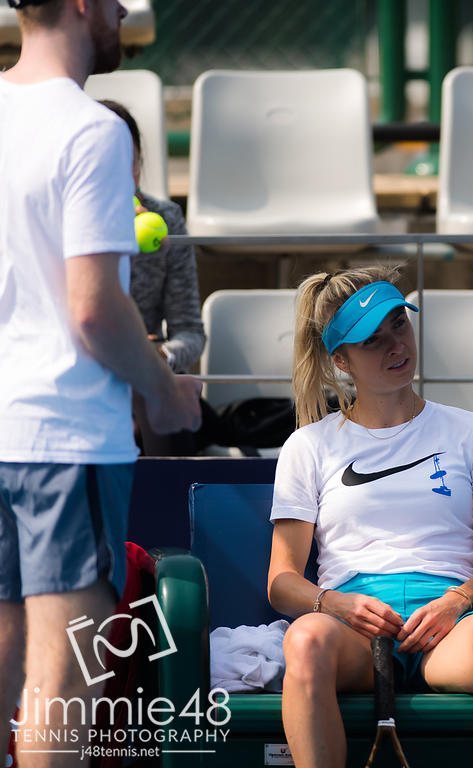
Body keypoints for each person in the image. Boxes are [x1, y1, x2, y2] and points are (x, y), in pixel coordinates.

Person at [0, 1, 202, 766]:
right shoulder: (93, 130)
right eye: (117, 0)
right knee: (60, 684)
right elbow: (93, 309)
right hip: (65, 436)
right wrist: (164, 391)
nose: (123, 12)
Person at [267, 266, 473, 768]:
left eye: (399, 324)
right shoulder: (307, 446)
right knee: (305, 641)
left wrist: (455, 602)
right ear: (341, 360)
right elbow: (282, 581)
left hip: (449, 625)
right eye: (372, 341)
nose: (396, 346)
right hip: (354, 630)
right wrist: (336, 604)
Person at [99, 98, 208, 456]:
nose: (120, 174)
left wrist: (161, 354)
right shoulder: (59, 220)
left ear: (140, 163)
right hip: (85, 371)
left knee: (164, 397)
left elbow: (190, 332)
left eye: (128, 161)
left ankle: (170, 493)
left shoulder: (166, 219)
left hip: (145, 376)